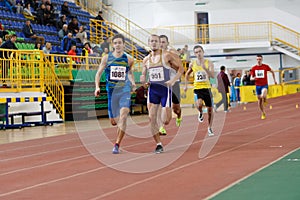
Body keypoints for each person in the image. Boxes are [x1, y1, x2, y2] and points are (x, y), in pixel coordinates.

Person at [140, 34, 184, 153]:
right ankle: (159, 144)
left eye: (156, 41)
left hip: (165, 90)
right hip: (153, 91)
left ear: (160, 43)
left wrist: (173, 80)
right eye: (151, 41)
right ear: (148, 43)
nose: (154, 43)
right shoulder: (146, 60)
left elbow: (181, 69)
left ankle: (174, 117)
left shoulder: (166, 56)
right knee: (152, 118)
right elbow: (143, 74)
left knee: (166, 120)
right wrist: (144, 81)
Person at [94, 34, 136, 154]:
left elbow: (129, 73)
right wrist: (97, 87)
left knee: (123, 116)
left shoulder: (129, 59)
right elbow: (98, 74)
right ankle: (117, 125)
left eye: (120, 43)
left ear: (123, 44)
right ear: (113, 45)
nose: (118, 45)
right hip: (111, 92)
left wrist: (132, 83)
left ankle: (117, 144)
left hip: (124, 90)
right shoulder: (106, 58)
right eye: (115, 43)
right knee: (114, 121)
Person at [184, 45, 215, 137]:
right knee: (199, 104)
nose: (198, 54)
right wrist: (186, 85)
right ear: (194, 54)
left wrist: (205, 68)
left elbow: (212, 75)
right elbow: (186, 75)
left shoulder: (209, 63)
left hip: (207, 88)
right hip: (197, 88)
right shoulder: (192, 64)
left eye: (199, 51)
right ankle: (200, 112)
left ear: (203, 52)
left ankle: (209, 127)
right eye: (196, 52)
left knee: (210, 110)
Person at [157, 34, 182, 135]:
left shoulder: (172, 54)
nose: (161, 44)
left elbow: (180, 68)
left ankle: (179, 116)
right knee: (160, 105)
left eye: (163, 42)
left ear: (167, 43)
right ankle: (161, 127)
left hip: (174, 83)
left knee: (176, 108)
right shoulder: (155, 55)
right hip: (162, 84)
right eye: (160, 42)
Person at [250, 54, 277, 120]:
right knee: (259, 100)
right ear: (256, 60)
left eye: (260, 59)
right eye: (257, 59)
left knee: (263, 95)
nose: (258, 60)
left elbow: (272, 72)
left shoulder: (265, 66)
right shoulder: (254, 68)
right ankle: (263, 113)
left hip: (264, 84)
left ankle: (265, 99)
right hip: (257, 86)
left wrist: (274, 80)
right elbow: (251, 78)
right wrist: (254, 78)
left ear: (262, 59)